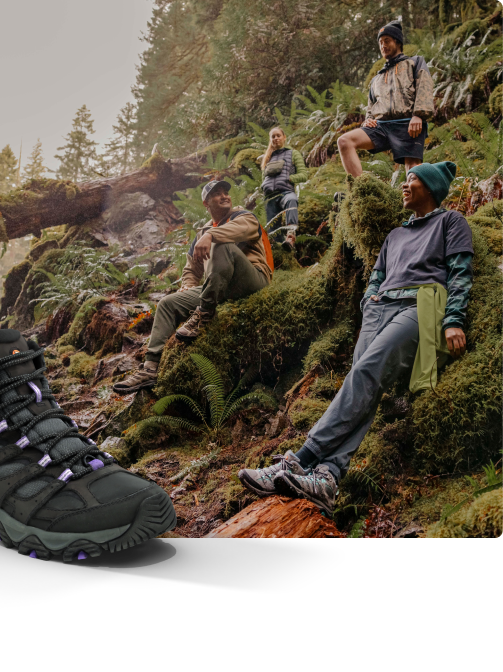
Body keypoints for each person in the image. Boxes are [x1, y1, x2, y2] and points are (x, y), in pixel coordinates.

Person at [238, 162, 474, 516]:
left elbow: (459, 273)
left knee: (365, 374)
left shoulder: (451, 222)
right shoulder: (395, 235)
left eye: (413, 180)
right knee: (364, 383)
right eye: (406, 180)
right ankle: (327, 480)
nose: (405, 186)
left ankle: (297, 460)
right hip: (380, 309)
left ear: (432, 188)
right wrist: (370, 298)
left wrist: (454, 320)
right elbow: (376, 275)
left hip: (420, 305)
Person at [113, 180, 273, 395]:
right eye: (217, 194)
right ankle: (150, 368)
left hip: (253, 279)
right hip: (219, 287)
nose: (225, 196)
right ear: (206, 203)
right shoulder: (202, 233)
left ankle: (204, 313)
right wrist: (188, 286)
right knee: (168, 303)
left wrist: (211, 235)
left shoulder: (243, 216)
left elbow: (239, 231)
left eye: (226, 192)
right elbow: (191, 269)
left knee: (220, 242)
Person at [337, 20, 434, 179]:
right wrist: (368, 120)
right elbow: (371, 105)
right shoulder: (377, 78)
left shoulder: (414, 63)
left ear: (398, 42)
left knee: (413, 172)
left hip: (408, 123)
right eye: (380, 42)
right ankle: (361, 190)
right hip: (381, 126)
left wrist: (419, 115)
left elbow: (425, 87)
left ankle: (415, 201)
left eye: (387, 41)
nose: (383, 45)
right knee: (344, 142)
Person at [261, 127, 308, 250]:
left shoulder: (293, 153)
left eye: (278, 135)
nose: (276, 138)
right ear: (270, 140)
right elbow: (264, 177)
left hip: (286, 191)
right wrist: (264, 186)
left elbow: (304, 175)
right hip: (270, 196)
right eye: (273, 136)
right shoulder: (267, 158)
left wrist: (289, 178)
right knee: (273, 230)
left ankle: (291, 237)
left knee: (292, 201)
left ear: (284, 137)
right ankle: (278, 253)